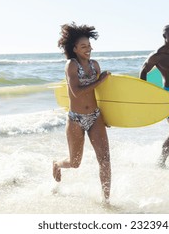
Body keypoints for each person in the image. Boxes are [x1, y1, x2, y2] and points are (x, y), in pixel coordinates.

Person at [53, 22, 111, 203]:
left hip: (95, 117)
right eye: (84, 46)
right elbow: (77, 92)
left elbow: (102, 95)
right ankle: (57, 164)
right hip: (76, 119)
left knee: (105, 160)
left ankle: (106, 201)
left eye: (89, 45)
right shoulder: (71, 65)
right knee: (75, 162)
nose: (88, 49)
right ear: (75, 49)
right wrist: (100, 81)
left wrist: (109, 116)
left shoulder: (95, 65)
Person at [139, 25, 169, 167]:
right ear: (164, 36)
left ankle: (160, 162)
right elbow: (143, 70)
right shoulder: (158, 55)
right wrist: (145, 92)